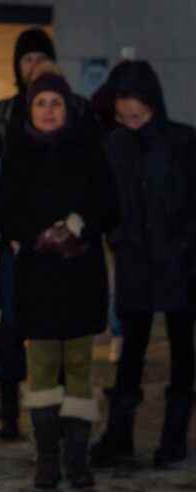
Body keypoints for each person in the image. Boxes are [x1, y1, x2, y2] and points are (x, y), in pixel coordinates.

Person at [0, 72, 119, 489]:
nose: (49, 110)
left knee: (81, 368)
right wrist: (39, 233)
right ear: (29, 109)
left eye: (56, 103)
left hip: (81, 277)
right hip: (39, 280)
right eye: (41, 103)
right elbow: (5, 211)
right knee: (44, 369)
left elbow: (107, 203)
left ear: (67, 109)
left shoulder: (88, 149)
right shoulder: (16, 153)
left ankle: (78, 458)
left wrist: (77, 226)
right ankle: (47, 456)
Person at [0, 28, 97, 440]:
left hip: (74, 256)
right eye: (25, 59)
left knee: (72, 344)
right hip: (22, 248)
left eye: (39, 58)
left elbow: (99, 190)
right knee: (15, 327)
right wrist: (14, 231)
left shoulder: (80, 119)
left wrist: (77, 225)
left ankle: (71, 429)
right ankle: (12, 410)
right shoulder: (3, 114)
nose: (32, 66)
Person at [90, 60, 196, 470]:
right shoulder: (114, 145)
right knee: (130, 352)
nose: (132, 122)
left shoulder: (183, 142)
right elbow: (105, 202)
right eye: (124, 116)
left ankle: (174, 439)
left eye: (139, 115)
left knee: (182, 353)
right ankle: (119, 436)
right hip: (135, 261)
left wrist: (186, 245)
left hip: (180, 264)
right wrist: (117, 236)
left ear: (153, 104)